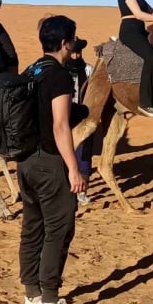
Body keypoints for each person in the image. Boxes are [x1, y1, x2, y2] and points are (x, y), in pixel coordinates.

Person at [18, 15, 88, 304]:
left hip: (25, 162)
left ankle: (31, 296)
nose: (74, 44)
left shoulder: (31, 70)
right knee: (58, 230)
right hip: (49, 162)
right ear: (64, 43)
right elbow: (60, 125)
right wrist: (74, 168)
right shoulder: (58, 76)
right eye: (72, 39)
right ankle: (49, 300)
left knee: (33, 228)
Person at [65, 36, 94, 206]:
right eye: (73, 53)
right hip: (64, 117)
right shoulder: (61, 70)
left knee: (83, 155)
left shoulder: (89, 69)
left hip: (83, 117)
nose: (76, 56)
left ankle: (82, 192)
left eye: (78, 53)